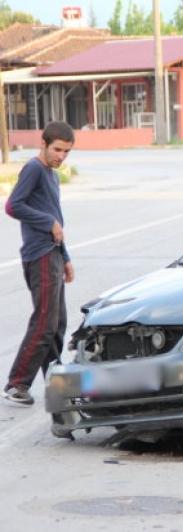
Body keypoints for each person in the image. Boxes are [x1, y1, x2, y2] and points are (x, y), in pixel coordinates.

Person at [2, 121, 75, 406]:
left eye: (66, 151)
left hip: (53, 253)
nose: (61, 156)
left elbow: (57, 221)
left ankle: (57, 385)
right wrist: (48, 222)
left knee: (57, 324)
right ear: (43, 144)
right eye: (57, 149)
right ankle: (16, 385)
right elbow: (13, 205)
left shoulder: (52, 175)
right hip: (39, 254)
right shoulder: (33, 168)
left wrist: (65, 257)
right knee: (45, 322)